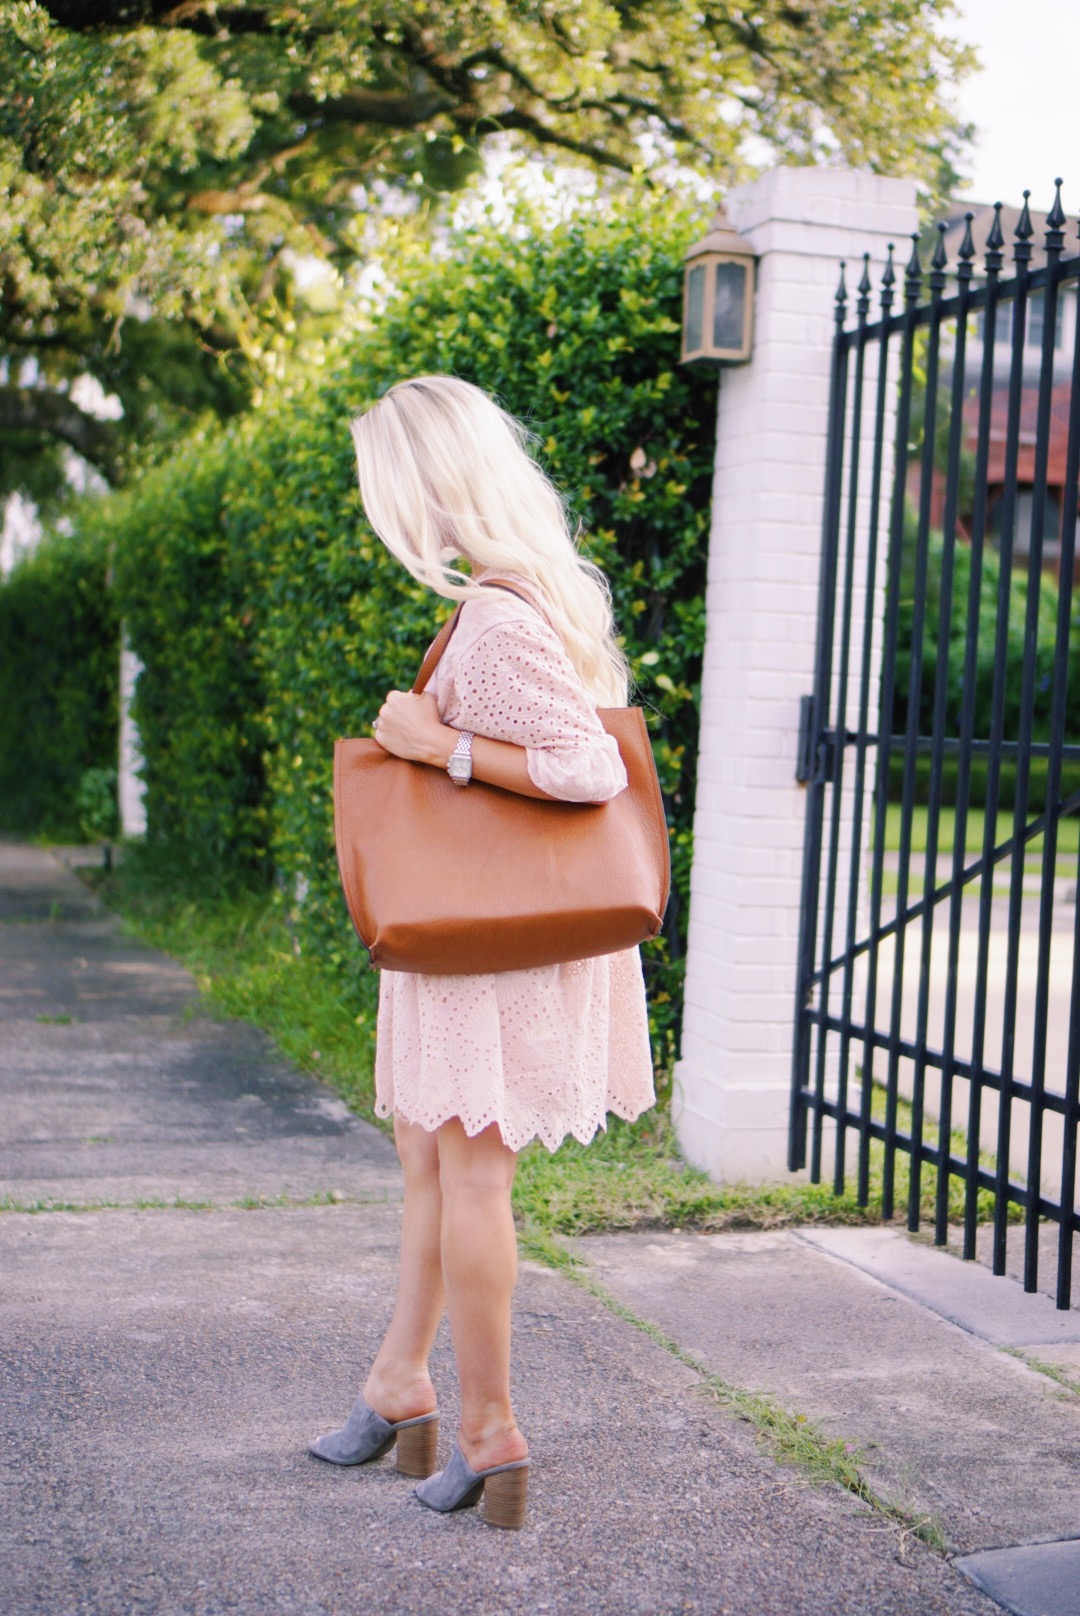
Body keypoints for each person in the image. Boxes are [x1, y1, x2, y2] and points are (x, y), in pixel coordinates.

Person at [308, 374, 655, 1529]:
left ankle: (490, 1426)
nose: (381, 511)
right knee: (427, 1161)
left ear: (425, 484)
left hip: (488, 943)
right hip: (467, 939)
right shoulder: (501, 604)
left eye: (384, 487)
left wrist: (440, 743)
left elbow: (588, 770)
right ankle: (400, 1383)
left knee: (471, 1173)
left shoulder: (499, 619)